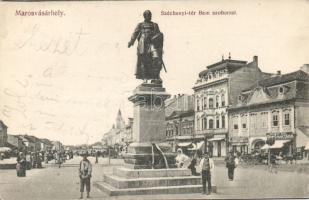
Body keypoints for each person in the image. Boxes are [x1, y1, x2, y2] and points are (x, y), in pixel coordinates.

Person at [128, 10, 164, 82]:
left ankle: (155, 76)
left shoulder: (155, 25)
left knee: (156, 58)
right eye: (147, 15)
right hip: (143, 43)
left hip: (152, 44)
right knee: (144, 61)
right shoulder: (140, 25)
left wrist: (158, 37)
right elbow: (135, 33)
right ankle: (145, 77)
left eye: (150, 15)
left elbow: (159, 34)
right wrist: (131, 42)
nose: (149, 16)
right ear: (144, 16)